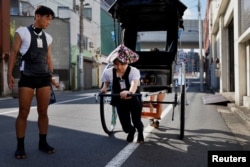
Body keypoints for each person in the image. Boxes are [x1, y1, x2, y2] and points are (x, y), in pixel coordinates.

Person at [7, 6, 59, 159]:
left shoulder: (48, 38)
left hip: (43, 77)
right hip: (27, 76)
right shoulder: (21, 32)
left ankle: (43, 142)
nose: (49, 22)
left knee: (43, 112)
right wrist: (9, 74)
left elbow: (48, 59)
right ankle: (20, 146)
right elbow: (13, 53)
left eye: (50, 19)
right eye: (47, 18)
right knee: (23, 112)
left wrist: (52, 77)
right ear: (37, 16)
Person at [100, 44, 144, 143]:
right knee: (126, 126)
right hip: (119, 101)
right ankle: (131, 131)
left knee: (136, 121)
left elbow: (134, 84)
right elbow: (106, 82)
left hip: (133, 100)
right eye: (116, 64)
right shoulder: (108, 72)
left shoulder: (134, 71)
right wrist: (104, 88)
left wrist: (130, 92)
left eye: (122, 64)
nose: (119, 67)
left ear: (127, 61)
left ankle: (140, 132)